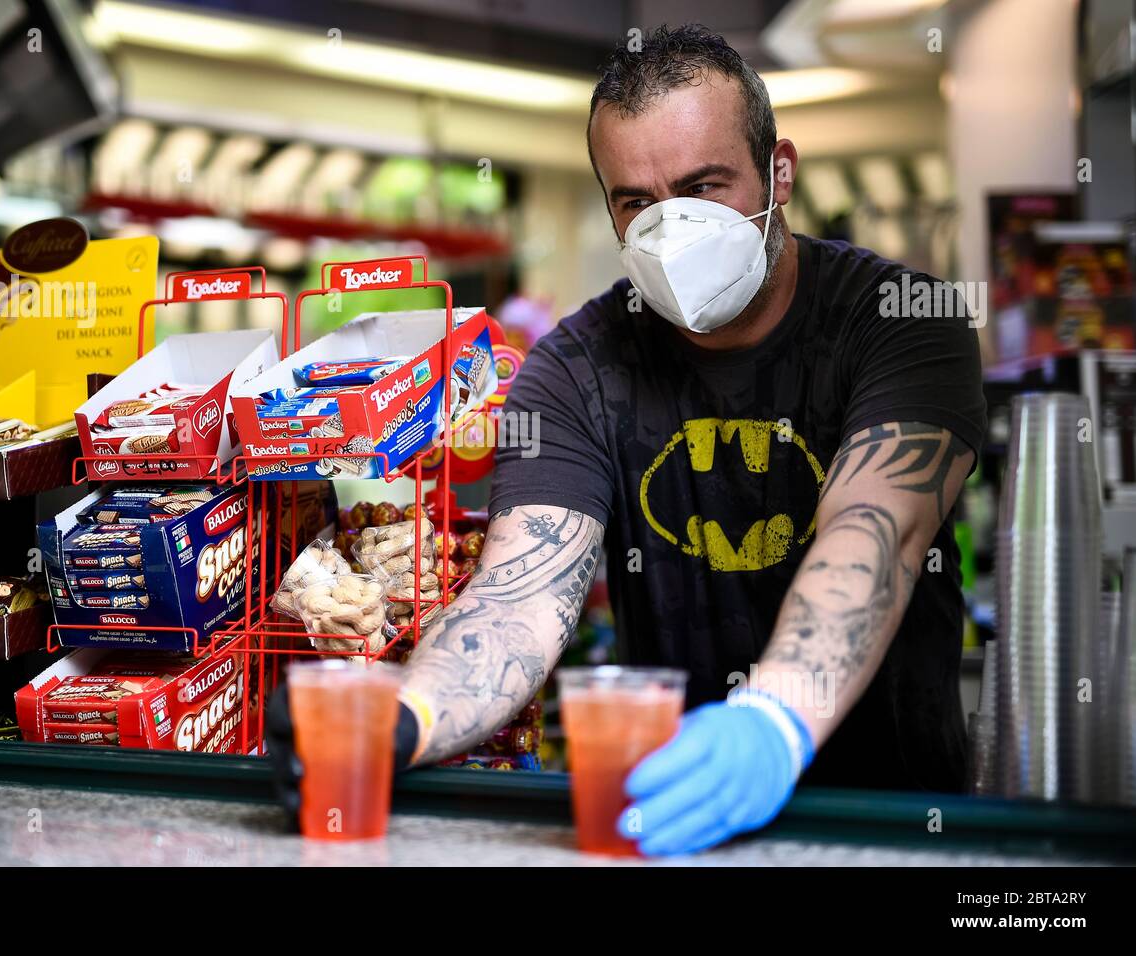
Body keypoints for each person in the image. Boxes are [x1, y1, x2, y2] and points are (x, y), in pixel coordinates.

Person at [271, 23, 985, 857]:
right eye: (636, 202)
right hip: (667, 809)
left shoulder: (901, 321)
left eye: (702, 186)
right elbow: (519, 600)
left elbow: (879, 531)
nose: (671, 227)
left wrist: (773, 723)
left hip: (896, 822)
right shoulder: (576, 366)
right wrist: (404, 717)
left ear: (778, 172)